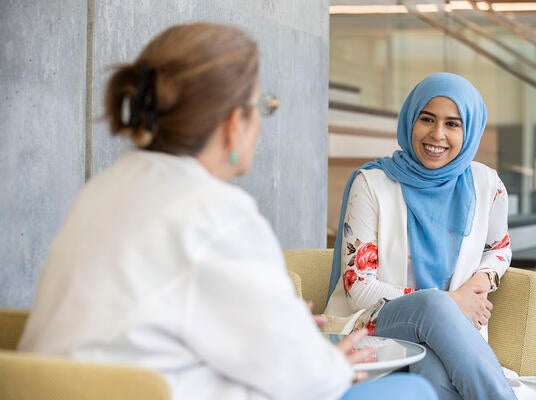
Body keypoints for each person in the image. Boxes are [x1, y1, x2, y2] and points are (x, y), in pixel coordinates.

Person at [17, 22, 437, 400]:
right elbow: (305, 379)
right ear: (234, 123)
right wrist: (327, 361)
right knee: (413, 390)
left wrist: (287, 332)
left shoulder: (103, 190)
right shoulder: (217, 213)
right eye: (262, 107)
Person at [325, 72, 536, 400]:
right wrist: (450, 303)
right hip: (376, 325)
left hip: (449, 337)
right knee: (432, 305)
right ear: (410, 119)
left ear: (470, 129)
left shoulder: (486, 184)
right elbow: (358, 290)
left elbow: (499, 249)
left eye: (453, 124)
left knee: (435, 373)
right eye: (427, 119)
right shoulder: (372, 184)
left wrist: (479, 283)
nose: (437, 134)